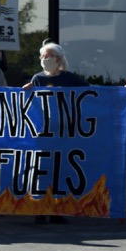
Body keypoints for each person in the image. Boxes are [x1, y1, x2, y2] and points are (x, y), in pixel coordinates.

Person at [22, 41, 90, 224]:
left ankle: (56, 210)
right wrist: (26, 92)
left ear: (58, 58)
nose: (44, 59)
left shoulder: (69, 78)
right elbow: (30, 105)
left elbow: (94, 94)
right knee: (41, 171)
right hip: (43, 134)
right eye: (42, 56)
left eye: (48, 56)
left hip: (63, 133)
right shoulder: (37, 79)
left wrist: (123, 93)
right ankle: (39, 209)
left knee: (60, 171)